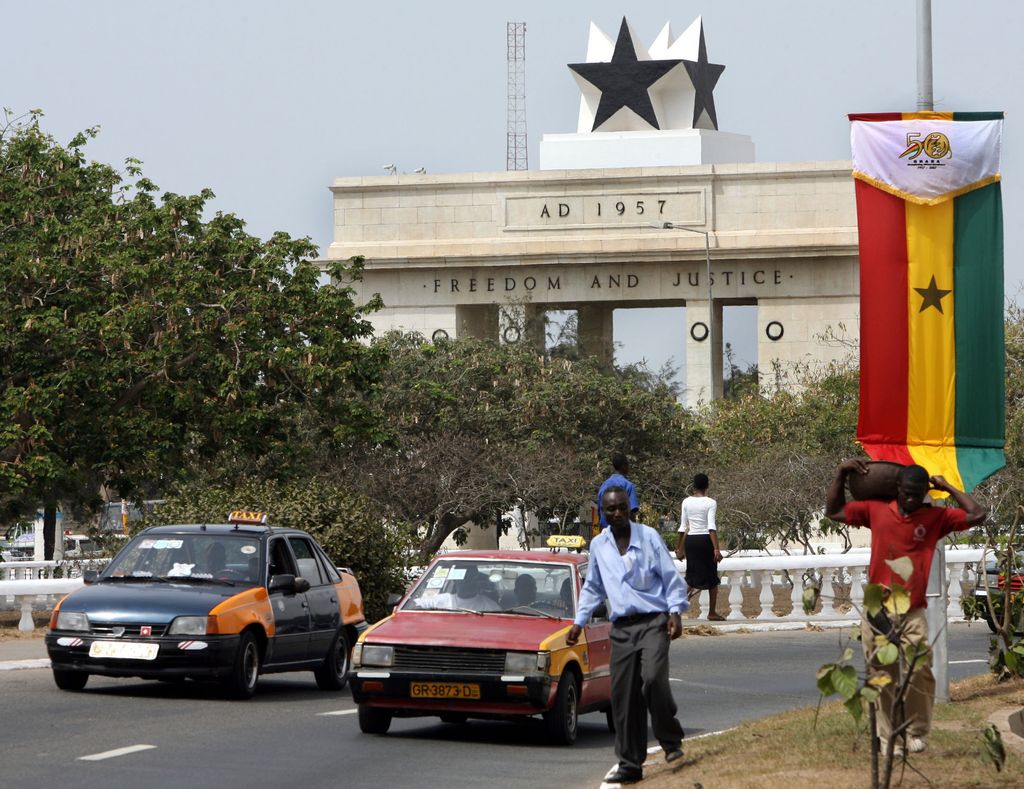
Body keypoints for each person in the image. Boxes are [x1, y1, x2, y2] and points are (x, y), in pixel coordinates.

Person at [825, 459, 986, 755]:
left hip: (912, 612)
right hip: (878, 611)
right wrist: (841, 472)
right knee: (882, 676)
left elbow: (977, 514)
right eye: (907, 493)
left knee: (920, 670)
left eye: (917, 493)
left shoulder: (935, 518)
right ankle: (889, 740)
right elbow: (834, 511)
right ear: (897, 489)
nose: (911, 499)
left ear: (925, 492)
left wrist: (947, 486)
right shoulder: (875, 511)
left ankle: (916, 732)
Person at [567, 486, 689, 784]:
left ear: (630, 508)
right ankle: (630, 763)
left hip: (653, 622)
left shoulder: (648, 536)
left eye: (622, 507)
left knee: (653, 679)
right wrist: (579, 622)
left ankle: (670, 740)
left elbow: (669, 577)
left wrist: (675, 613)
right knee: (623, 697)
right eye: (611, 509)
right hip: (621, 628)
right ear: (603, 512)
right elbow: (594, 586)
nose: (617, 513)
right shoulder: (599, 545)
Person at [675, 473, 724, 621]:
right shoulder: (710, 503)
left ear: (693, 486)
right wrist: (716, 548)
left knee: (691, 578)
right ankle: (712, 612)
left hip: (691, 541)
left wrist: (679, 549)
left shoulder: (686, 502)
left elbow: (683, 527)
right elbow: (711, 527)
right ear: (707, 486)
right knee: (712, 578)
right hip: (705, 541)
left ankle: (675, 610)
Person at [414, 565, 501, 612]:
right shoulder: (441, 600)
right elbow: (413, 605)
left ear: (475, 581)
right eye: (461, 578)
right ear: (455, 581)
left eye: (469, 578)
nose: (464, 582)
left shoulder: (490, 607)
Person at [596, 452, 639, 529]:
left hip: (605, 532)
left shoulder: (603, 486)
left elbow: (600, 513)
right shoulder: (628, 486)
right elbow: (631, 513)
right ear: (624, 466)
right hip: (623, 533)